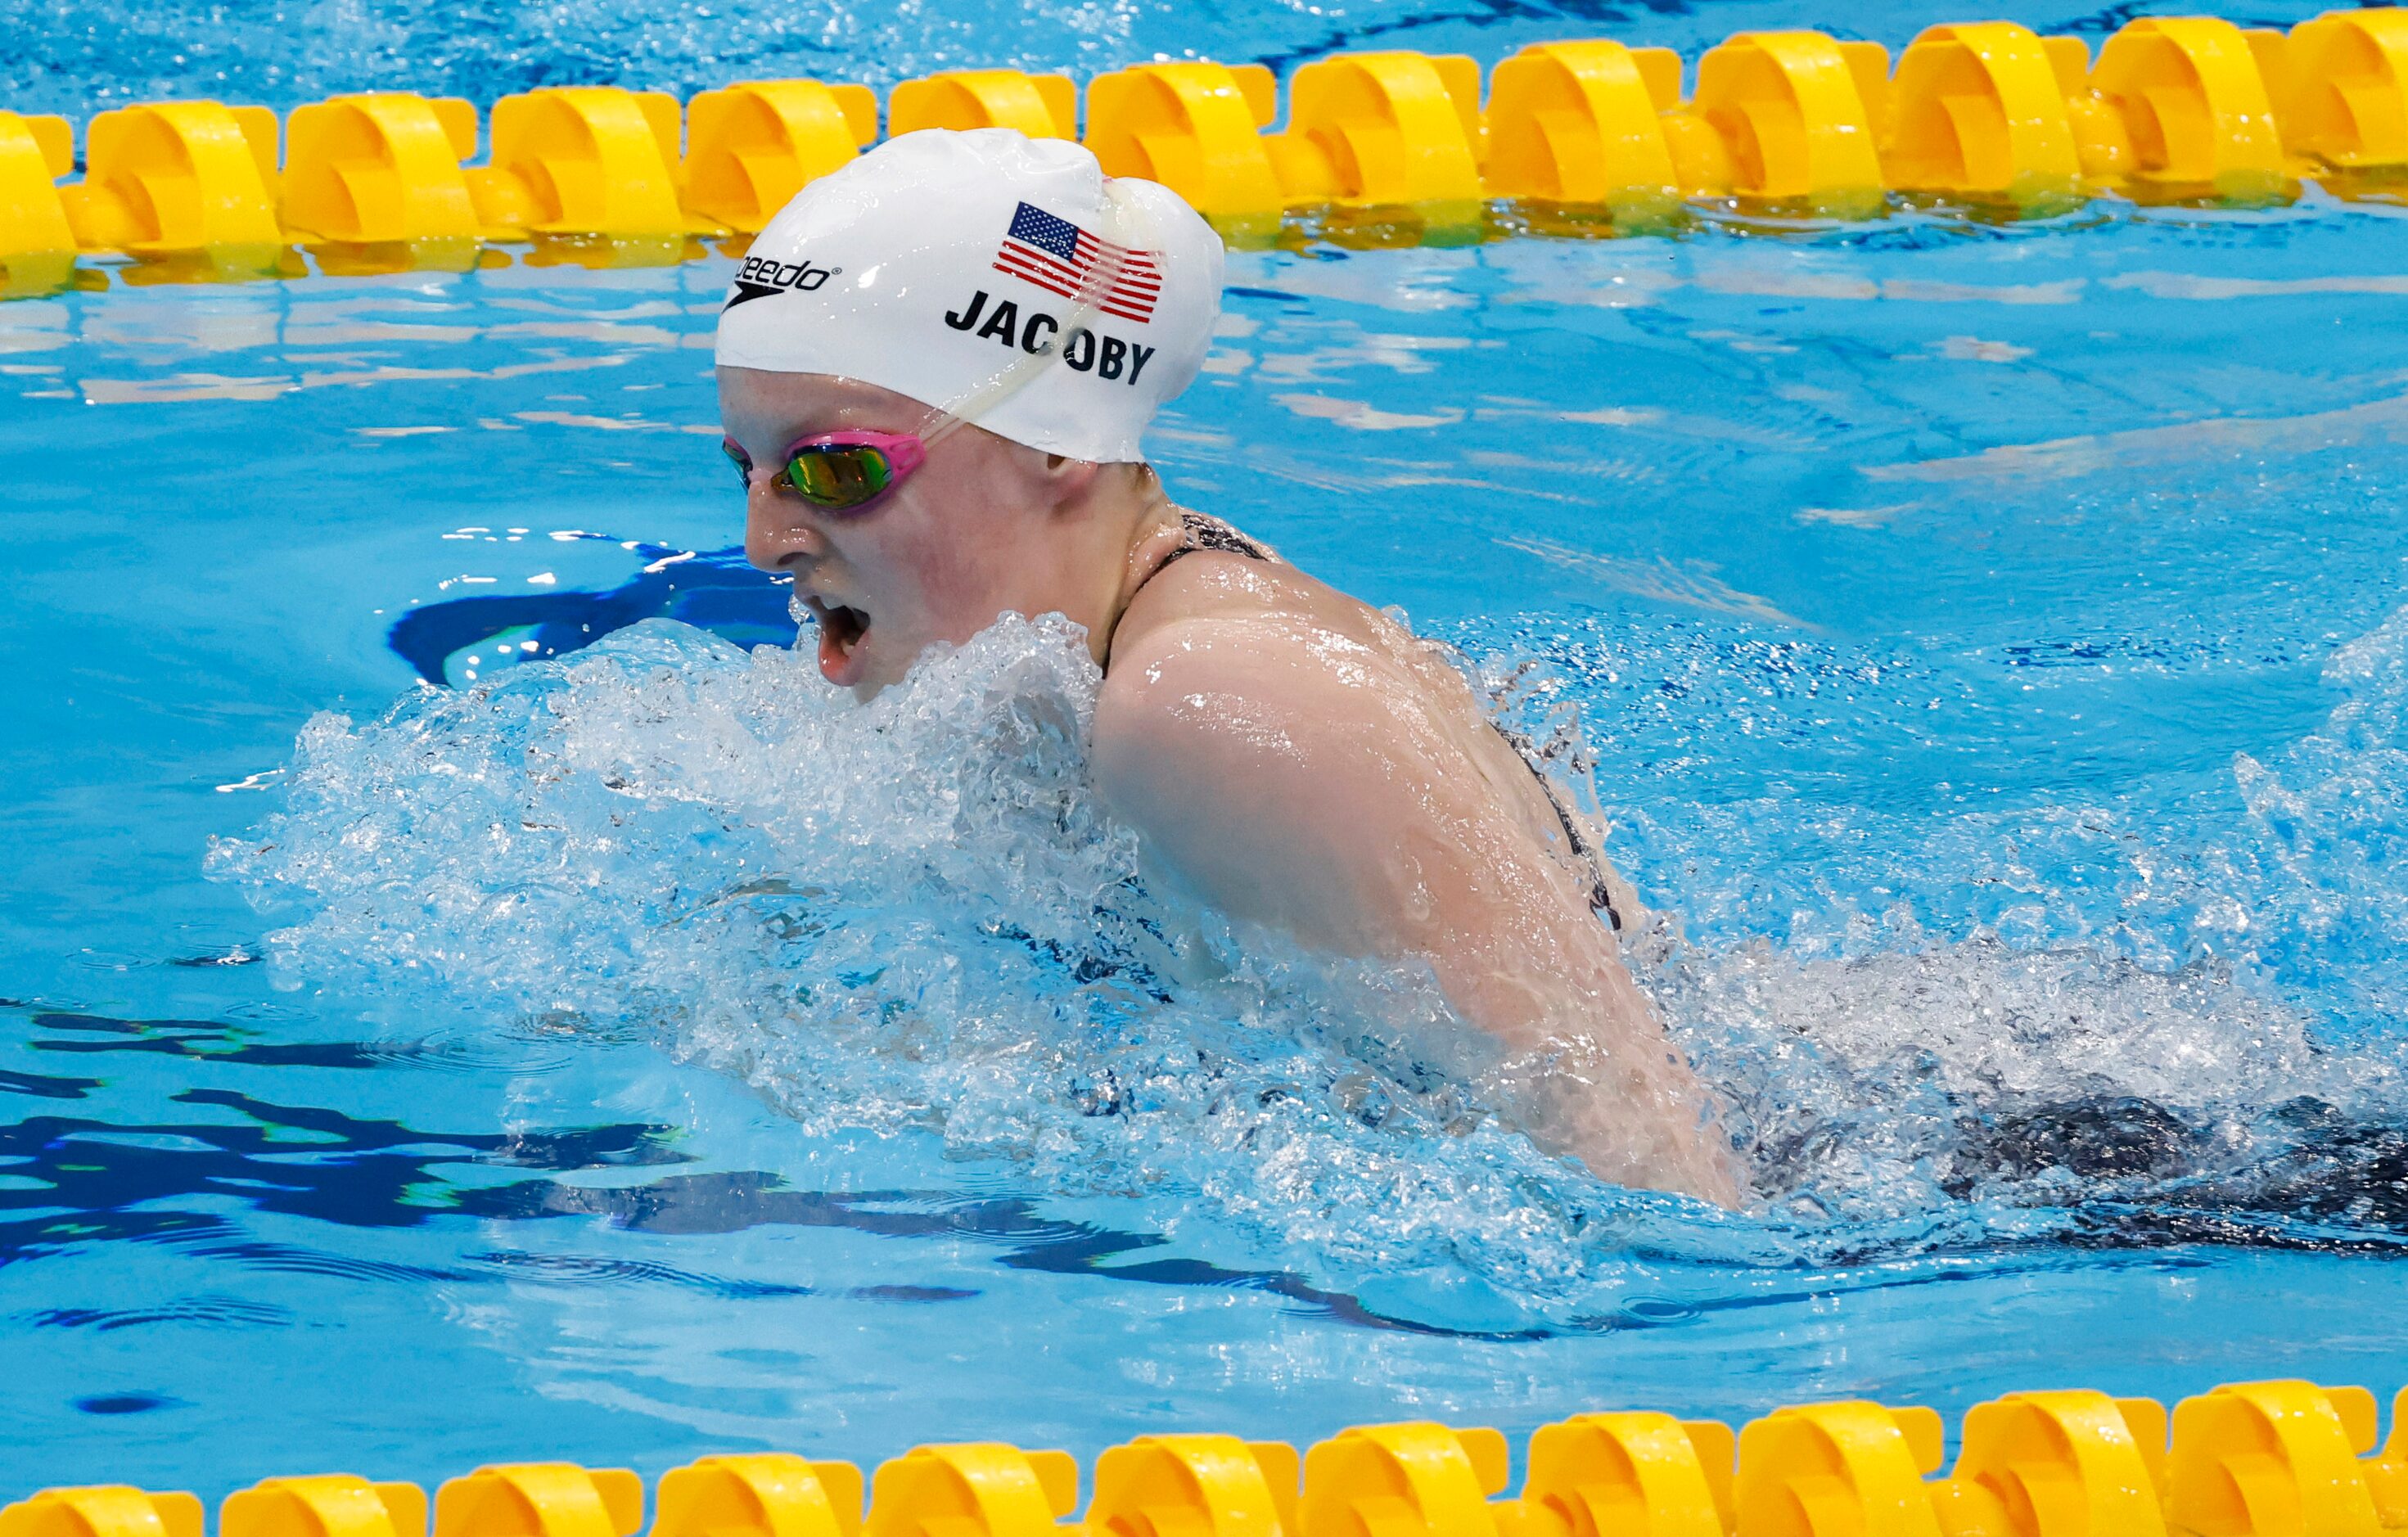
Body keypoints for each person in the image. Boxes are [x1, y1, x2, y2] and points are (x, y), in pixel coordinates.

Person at [716, 128, 1738, 1205]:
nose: (763, 538)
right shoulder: (1139, 624)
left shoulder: (1208, 697)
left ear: (1054, 448)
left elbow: (1649, 1165)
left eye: (835, 470)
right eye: (749, 468)